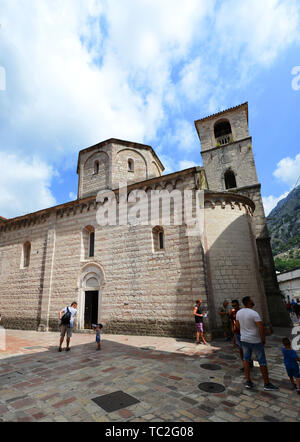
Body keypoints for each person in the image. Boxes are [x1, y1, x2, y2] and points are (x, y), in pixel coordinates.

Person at [236, 296, 279, 391]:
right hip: (255, 340)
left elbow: (237, 326)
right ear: (249, 302)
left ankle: (248, 381)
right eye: (251, 300)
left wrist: (244, 332)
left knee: (246, 360)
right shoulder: (254, 313)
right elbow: (261, 327)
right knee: (262, 361)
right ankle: (266, 383)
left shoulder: (239, 312)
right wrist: (263, 339)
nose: (253, 301)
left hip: (244, 340)